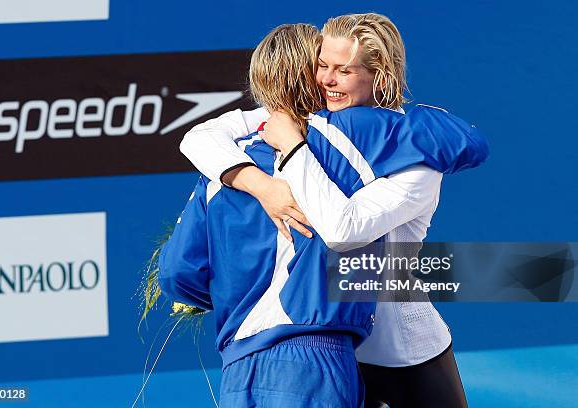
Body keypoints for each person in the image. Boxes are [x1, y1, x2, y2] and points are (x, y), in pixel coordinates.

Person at [179, 13, 480, 407]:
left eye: (344, 70)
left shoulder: (416, 158)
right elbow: (200, 137)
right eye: (323, 65)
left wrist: (294, 149)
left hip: (402, 350)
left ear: (381, 78)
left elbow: (344, 229)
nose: (326, 80)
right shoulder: (306, 125)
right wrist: (263, 186)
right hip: (335, 347)